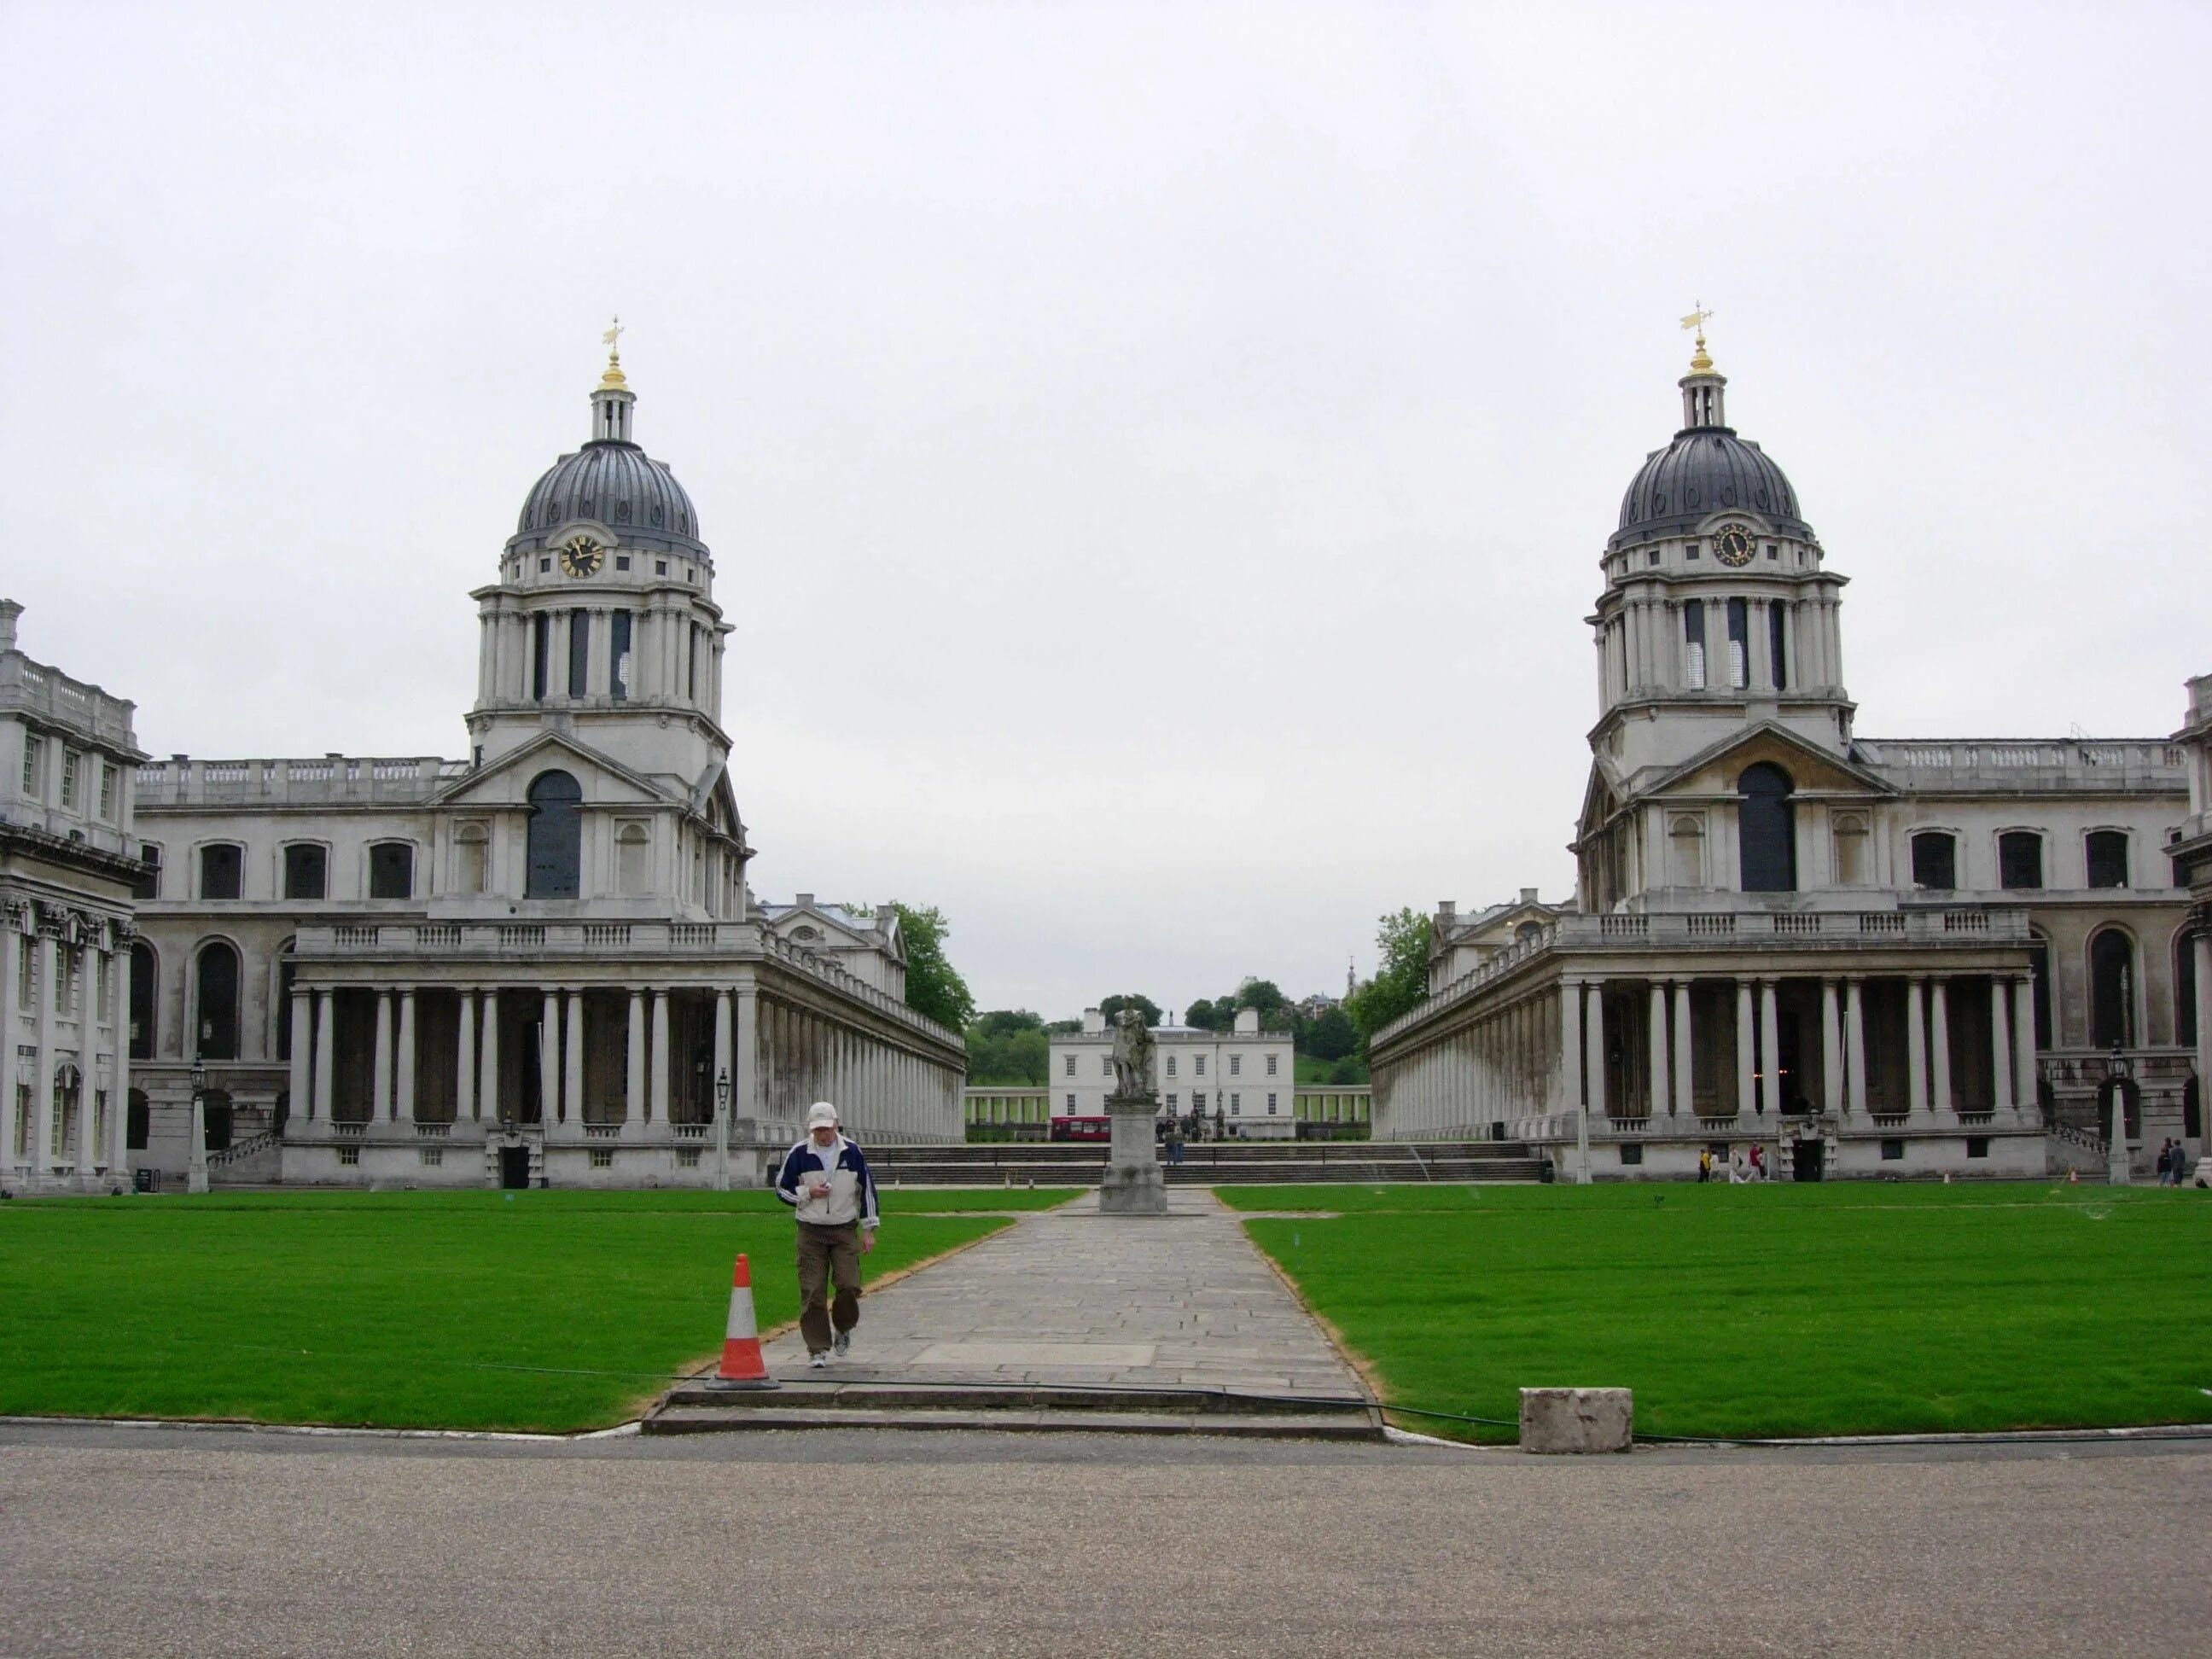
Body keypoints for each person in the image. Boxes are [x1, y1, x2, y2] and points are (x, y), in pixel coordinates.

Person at [774, 1101, 879, 1369]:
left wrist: (869, 1229)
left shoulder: (852, 1152)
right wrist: (808, 1193)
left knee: (848, 1284)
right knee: (812, 1291)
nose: (823, 1134)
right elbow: (781, 1189)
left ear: (836, 1124)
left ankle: (843, 1327)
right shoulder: (799, 1153)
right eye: (818, 1130)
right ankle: (817, 1348)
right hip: (811, 1230)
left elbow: (866, 1189)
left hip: (844, 1228)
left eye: (827, 1128)